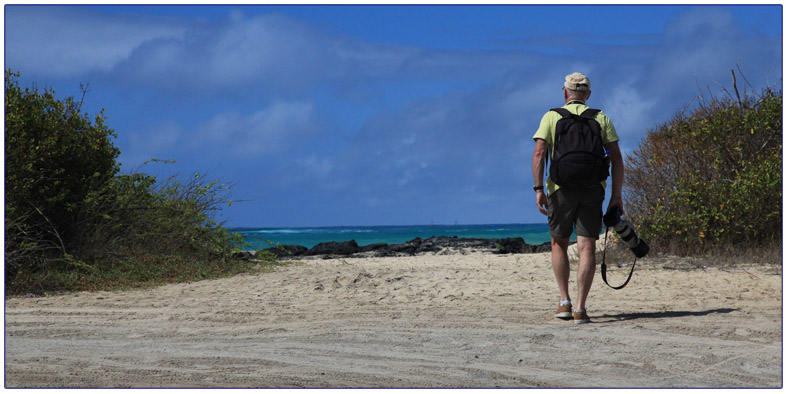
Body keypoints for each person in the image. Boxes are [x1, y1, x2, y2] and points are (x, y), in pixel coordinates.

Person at [531, 72, 624, 324]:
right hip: (593, 189)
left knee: (559, 243)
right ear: (588, 95)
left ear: (565, 93)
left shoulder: (551, 116)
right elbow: (616, 158)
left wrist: (539, 188)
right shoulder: (600, 117)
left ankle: (564, 302)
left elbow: (539, 153)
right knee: (587, 247)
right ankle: (581, 308)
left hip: (559, 189)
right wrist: (616, 195)